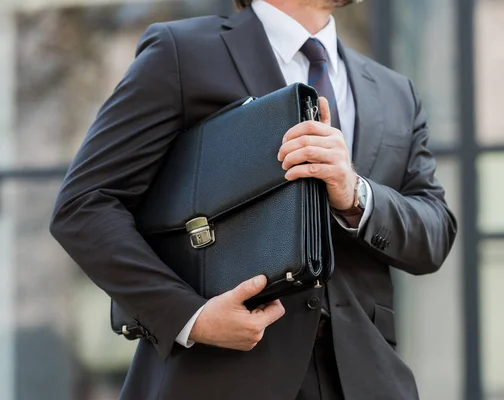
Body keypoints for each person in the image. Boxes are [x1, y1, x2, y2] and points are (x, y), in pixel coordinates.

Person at [50, 0, 457, 399]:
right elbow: (85, 204)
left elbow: (435, 232)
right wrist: (190, 317)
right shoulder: (183, 53)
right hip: (221, 375)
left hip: (367, 379)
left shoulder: (395, 91)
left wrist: (355, 194)